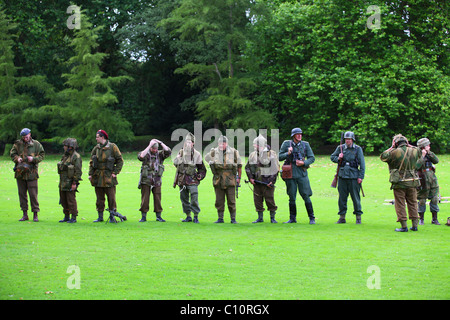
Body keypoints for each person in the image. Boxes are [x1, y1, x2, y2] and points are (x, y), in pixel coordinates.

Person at [380, 134, 421, 232]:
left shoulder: (394, 152)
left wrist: (391, 147)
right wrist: (410, 146)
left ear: (395, 143)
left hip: (400, 182)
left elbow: (383, 157)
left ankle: (404, 226)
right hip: (413, 181)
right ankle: (415, 226)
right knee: (413, 203)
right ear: (406, 142)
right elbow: (419, 153)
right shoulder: (415, 150)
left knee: (400, 204)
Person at [279, 128, 316, 224]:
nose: (299, 136)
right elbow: (279, 157)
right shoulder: (287, 144)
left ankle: (312, 218)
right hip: (290, 174)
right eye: (297, 134)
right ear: (293, 136)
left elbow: (312, 158)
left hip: (302, 174)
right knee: (291, 196)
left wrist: (304, 163)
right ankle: (292, 218)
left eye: (300, 134)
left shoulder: (305, 144)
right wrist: (288, 153)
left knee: (306, 195)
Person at [89, 130, 125, 223]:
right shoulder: (96, 148)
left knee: (111, 198)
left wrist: (115, 172)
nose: (96, 138)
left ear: (102, 137)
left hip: (109, 176)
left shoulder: (112, 147)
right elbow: (91, 162)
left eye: (97, 136)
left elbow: (120, 160)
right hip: (98, 176)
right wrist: (90, 174)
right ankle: (100, 216)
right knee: (99, 198)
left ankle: (112, 216)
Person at [205, 135, 242, 224]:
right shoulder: (214, 151)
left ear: (226, 144)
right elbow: (206, 158)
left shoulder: (233, 152)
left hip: (230, 179)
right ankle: (220, 218)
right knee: (219, 200)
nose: (221, 145)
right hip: (218, 178)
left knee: (231, 200)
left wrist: (238, 179)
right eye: (220, 143)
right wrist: (212, 161)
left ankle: (233, 219)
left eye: (223, 143)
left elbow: (239, 166)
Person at [10, 128, 45, 222]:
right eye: (24, 137)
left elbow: (42, 155)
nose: (25, 138)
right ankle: (24, 214)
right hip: (20, 173)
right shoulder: (17, 144)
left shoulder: (36, 144)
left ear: (30, 134)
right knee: (22, 194)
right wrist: (17, 159)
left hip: (32, 173)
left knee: (33, 195)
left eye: (27, 136)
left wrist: (33, 159)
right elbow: (12, 154)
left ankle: (35, 215)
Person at [330, 131, 365, 224]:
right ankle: (342, 217)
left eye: (349, 139)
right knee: (342, 198)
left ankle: (358, 217)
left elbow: (362, 164)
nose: (347, 141)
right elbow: (332, 157)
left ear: (352, 140)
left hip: (354, 177)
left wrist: (361, 177)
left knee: (355, 198)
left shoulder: (358, 149)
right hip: (342, 176)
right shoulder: (340, 148)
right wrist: (338, 157)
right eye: (346, 139)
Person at [245, 134, 279, 223]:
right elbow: (247, 167)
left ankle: (272, 218)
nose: (253, 146)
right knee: (257, 200)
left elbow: (275, 168)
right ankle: (260, 218)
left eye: (255, 144)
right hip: (256, 182)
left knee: (270, 199)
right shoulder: (252, 155)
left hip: (268, 182)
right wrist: (250, 178)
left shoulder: (271, 154)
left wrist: (272, 181)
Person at [173, 133, 207, 223]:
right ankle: (188, 216)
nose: (187, 144)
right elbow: (175, 164)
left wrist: (199, 177)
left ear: (193, 143)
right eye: (186, 142)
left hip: (192, 181)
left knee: (194, 198)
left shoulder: (197, 154)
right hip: (182, 180)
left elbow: (202, 169)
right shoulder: (180, 152)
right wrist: (178, 158)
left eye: (189, 142)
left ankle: (195, 216)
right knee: (184, 199)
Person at [138, 138, 171, 222]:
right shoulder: (146, 154)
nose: (155, 150)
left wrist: (160, 142)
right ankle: (143, 216)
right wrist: (149, 145)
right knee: (145, 198)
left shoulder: (160, 155)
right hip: (146, 180)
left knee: (157, 198)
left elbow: (168, 151)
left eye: (156, 149)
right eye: (153, 149)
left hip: (157, 180)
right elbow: (141, 156)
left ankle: (158, 216)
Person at [416, 138, 441, 225]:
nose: (429, 146)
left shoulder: (430, 154)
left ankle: (434, 219)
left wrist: (429, 153)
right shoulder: (416, 154)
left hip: (431, 178)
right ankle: (421, 219)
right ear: (422, 146)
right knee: (422, 199)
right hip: (422, 178)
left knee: (434, 198)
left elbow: (436, 161)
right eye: (427, 145)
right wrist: (422, 156)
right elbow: (416, 166)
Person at [57, 138, 82, 223]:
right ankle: (66, 216)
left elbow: (78, 171)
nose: (64, 147)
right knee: (63, 200)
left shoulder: (76, 156)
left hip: (70, 182)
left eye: (65, 145)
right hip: (63, 182)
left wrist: (75, 183)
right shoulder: (65, 156)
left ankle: (73, 217)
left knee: (71, 200)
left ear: (70, 147)